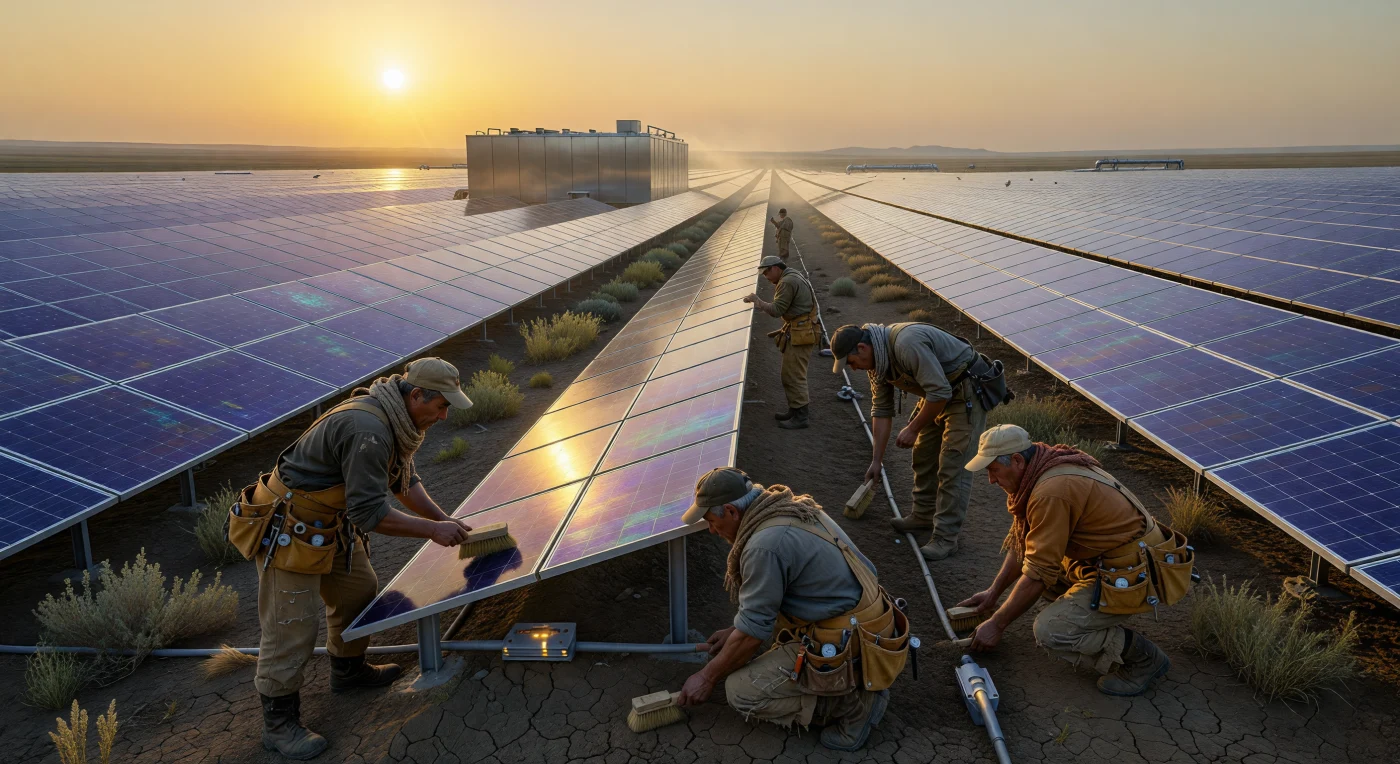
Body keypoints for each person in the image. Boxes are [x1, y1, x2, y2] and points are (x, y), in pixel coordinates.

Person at [232, 358, 475, 759]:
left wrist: (443, 518)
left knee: (359, 590)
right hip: (291, 529)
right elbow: (369, 513)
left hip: (330, 524)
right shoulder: (369, 429)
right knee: (291, 624)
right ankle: (278, 724)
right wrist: (432, 532)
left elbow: (405, 481)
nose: (444, 415)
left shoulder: (399, 421)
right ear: (416, 395)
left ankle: (348, 671)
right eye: (441, 406)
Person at [674, 468, 903, 751]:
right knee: (744, 642)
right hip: (873, 622)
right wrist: (737, 628)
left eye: (711, 520)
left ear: (732, 511)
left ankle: (853, 706)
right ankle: (851, 682)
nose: (711, 529)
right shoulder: (788, 509)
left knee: (740, 691)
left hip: (853, 639)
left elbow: (753, 635)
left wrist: (706, 677)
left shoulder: (763, 546)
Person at [957, 425, 1178, 696]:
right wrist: (993, 594)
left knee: (1051, 630)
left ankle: (1142, 658)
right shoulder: (1043, 468)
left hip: (1134, 570)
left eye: (993, 470)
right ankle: (1091, 615)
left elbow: (1038, 570)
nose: (991, 480)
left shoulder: (1051, 491)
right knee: (1042, 577)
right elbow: (1026, 544)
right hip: (1107, 559)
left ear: (1017, 460)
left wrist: (998, 623)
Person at [830, 322, 993, 561]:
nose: (853, 369)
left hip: (963, 392)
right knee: (924, 456)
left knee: (953, 466)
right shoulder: (878, 364)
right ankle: (923, 515)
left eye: (852, 363)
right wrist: (877, 461)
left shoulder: (906, 344)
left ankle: (946, 539)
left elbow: (940, 393)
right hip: (936, 393)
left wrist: (913, 428)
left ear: (862, 348)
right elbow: (881, 409)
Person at [744, 255, 818, 429]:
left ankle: (801, 417)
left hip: (801, 332)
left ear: (776, 268)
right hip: (801, 329)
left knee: (793, 375)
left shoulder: (786, 282)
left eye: (767, 272)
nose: (765, 277)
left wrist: (758, 301)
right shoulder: (791, 274)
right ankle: (794, 409)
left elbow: (777, 310)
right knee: (791, 373)